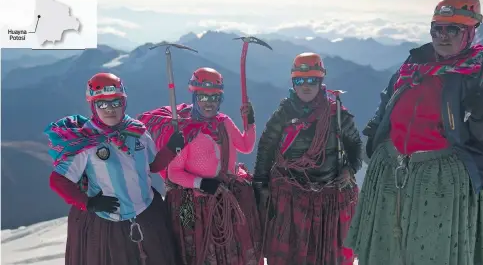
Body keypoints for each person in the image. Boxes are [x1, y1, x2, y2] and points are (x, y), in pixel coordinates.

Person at [344, 0, 483, 265]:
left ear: (470, 31)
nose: (442, 36)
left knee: (430, 251)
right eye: (437, 29)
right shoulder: (415, 62)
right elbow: (389, 99)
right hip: (392, 169)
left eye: (451, 29)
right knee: (389, 249)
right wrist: (375, 132)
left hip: (441, 177)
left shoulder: (481, 70)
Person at [44, 72, 181, 265]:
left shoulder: (137, 132)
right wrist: (89, 203)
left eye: (115, 102)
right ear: (93, 105)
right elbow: (58, 180)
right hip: (109, 223)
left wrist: (170, 149)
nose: (110, 109)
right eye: (102, 104)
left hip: (147, 212)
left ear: (124, 102)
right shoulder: (86, 141)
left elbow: (152, 166)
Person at [137, 67, 262, 265]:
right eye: (203, 98)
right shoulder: (187, 131)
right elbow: (174, 173)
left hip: (224, 195)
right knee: (196, 250)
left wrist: (250, 122)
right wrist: (201, 183)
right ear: (195, 97)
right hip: (195, 203)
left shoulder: (224, 122)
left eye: (215, 98)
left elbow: (246, 146)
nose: (209, 103)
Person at [253, 52, 362, 265]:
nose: (306, 86)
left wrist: (349, 170)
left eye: (312, 80)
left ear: (320, 82)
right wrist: (260, 187)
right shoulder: (283, 114)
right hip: (290, 195)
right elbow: (266, 149)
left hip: (327, 196)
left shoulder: (336, 113)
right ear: (293, 82)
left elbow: (355, 146)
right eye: (300, 81)